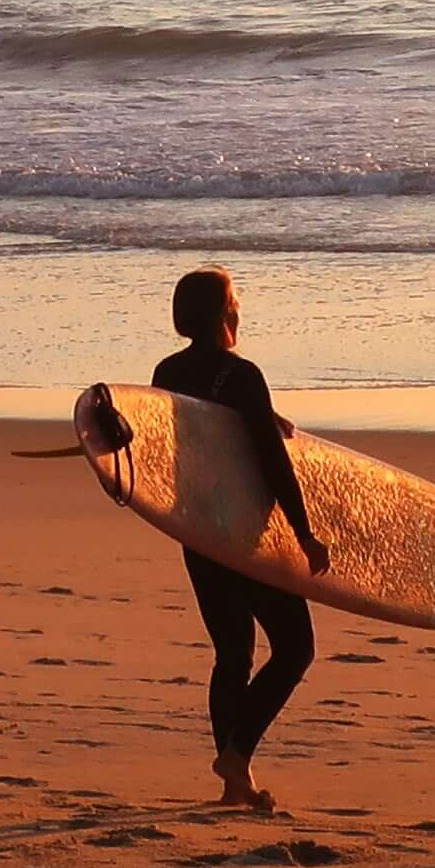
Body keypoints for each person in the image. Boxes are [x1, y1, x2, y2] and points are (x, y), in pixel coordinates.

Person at [152, 267, 328, 814]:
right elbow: (273, 464)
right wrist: (305, 534)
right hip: (245, 535)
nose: (240, 306)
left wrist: (261, 414)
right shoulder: (244, 375)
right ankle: (237, 754)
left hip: (196, 530)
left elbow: (182, 438)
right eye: (234, 298)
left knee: (232, 654)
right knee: (296, 647)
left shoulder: (166, 372)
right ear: (222, 313)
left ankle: (235, 782)